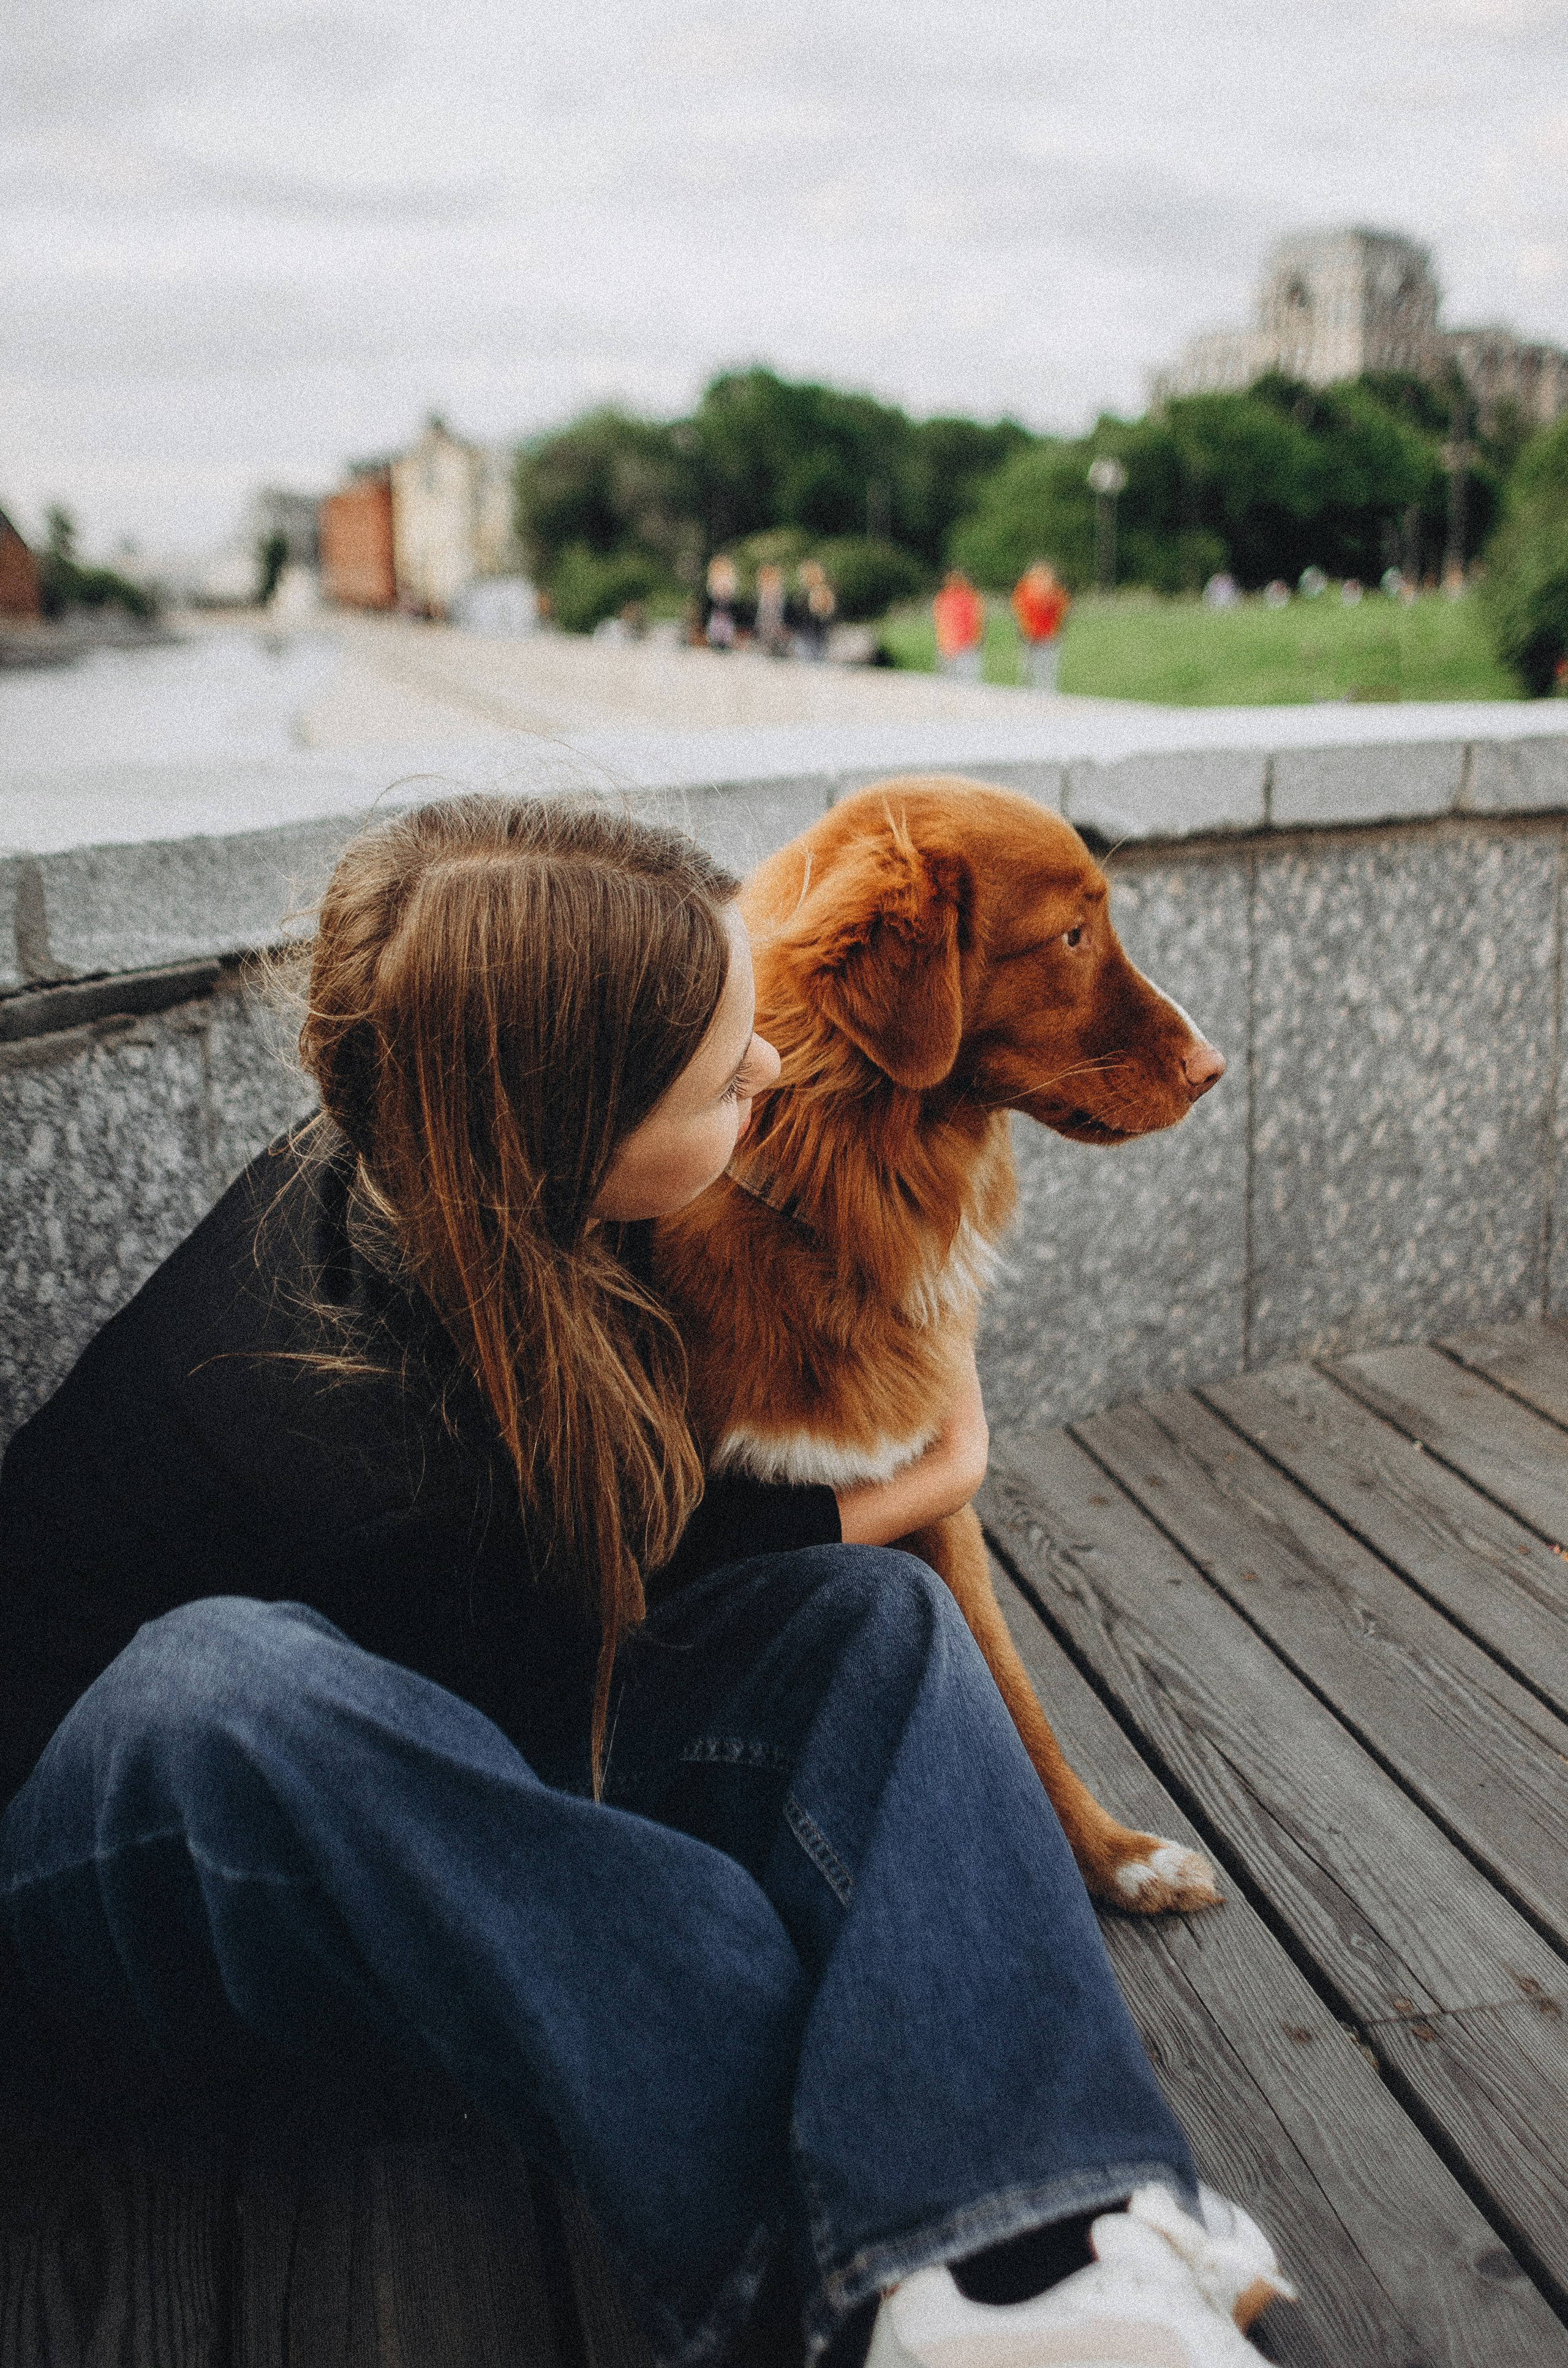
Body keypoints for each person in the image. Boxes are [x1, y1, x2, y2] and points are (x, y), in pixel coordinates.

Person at [0, 796, 1292, 2368]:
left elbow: (625, 1588)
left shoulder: (466, 1167)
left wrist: (885, 1484)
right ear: (573, 1133)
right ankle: (879, 2276)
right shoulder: (331, 1424)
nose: (770, 1066)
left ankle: (1035, 2235)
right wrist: (921, 1484)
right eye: (722, 1074)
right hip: (116, 1891)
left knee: (872, 1619)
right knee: (217, 1687)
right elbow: (556, 1721)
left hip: (443, 1713)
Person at [1011, 562, 1069, 694]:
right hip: (1035, 636)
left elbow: (1061, 610)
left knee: (1040, 673)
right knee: (1037, 673)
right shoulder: (1028, 588)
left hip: (1044, 636)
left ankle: (1040, 700)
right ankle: (1036, 699)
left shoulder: (1049, 590)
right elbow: (1019, 610)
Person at [932, 570, 985, 681]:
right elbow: (941, 623)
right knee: (950, 682)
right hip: (950, 646)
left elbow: (976, 621)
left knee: (965, 681)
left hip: (965, 646)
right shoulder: (944, 598)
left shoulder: (969, 597)